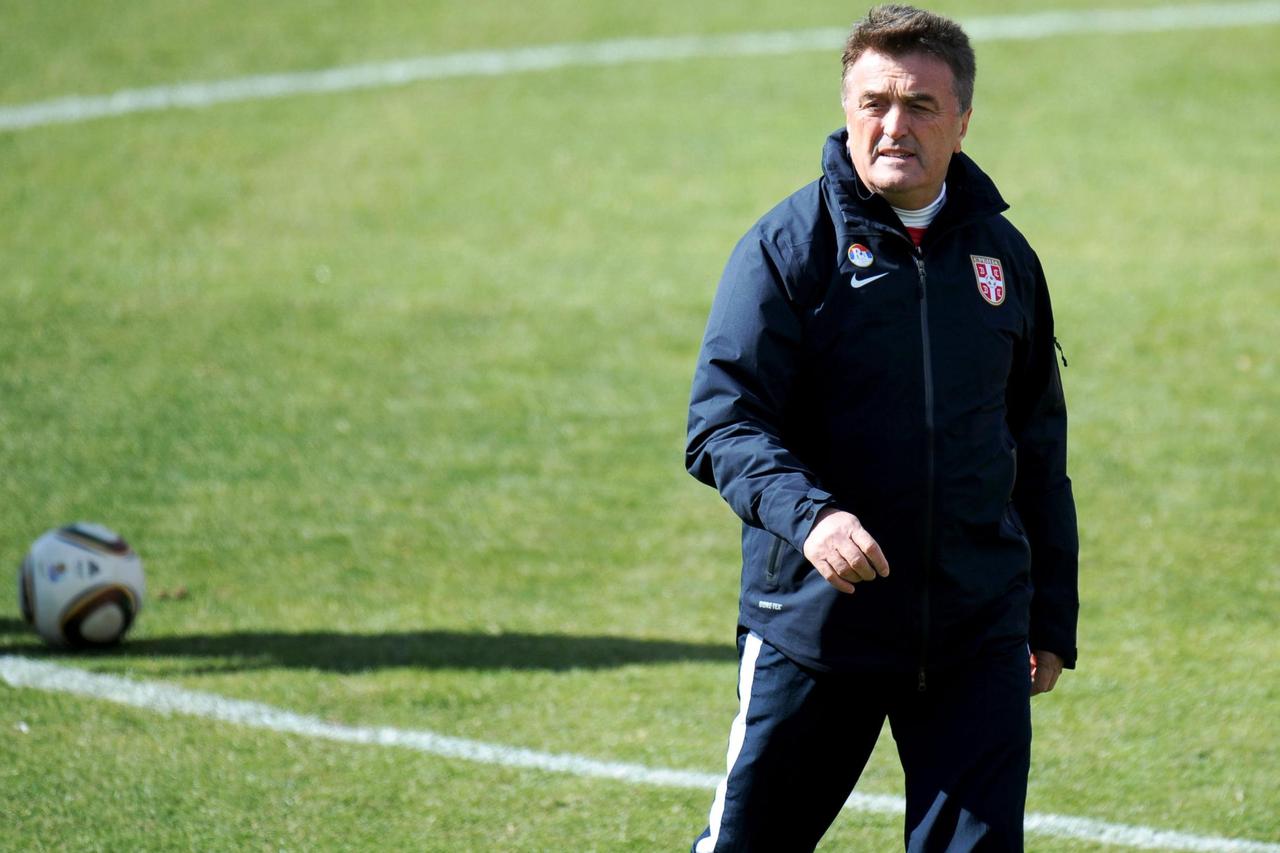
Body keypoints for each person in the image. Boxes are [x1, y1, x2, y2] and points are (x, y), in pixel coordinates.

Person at [685, 5, 1079, 851]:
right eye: (873, 104)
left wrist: (1052, 615)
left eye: (920, 106)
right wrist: (813, 516)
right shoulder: (788, 248)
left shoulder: (1004, 260)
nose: (893, 125)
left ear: (963, 121)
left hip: (976, 631)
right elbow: (723, 423)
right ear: (847, 108)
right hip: (821, 623)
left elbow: (1038, 446)